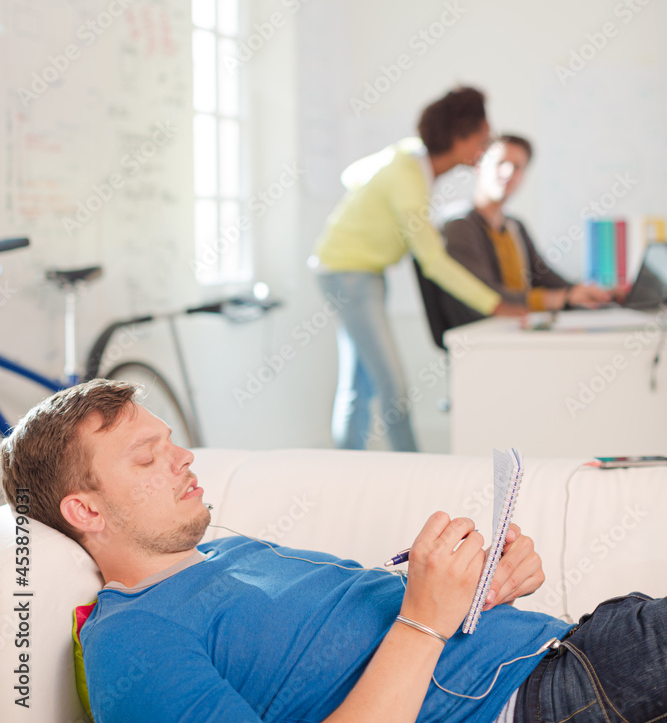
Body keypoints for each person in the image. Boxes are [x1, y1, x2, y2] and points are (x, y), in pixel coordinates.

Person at [2, 379, 666, 723]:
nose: (182, 459)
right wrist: (424, 619)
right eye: (148, 456)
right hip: (551, 695)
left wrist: (477, 588)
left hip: (573, 647)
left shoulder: (228, 554)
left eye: (169, 441)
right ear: (85, 510)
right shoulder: (133, 641)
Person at [312, 87, 524, 452]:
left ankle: (344, 465)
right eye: (483, 139)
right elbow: (434, 261)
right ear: (458, 139)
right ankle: (413, 468)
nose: (486, 147)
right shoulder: (407, 177)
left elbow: (352, 175)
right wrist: (495, 304)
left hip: (359, 271)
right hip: (349, 274)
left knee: (360, 383)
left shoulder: (409, 157)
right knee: (391, 385)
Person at [442, 135, 612, 314]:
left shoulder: (515, 226)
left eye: (517, 167)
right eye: (500, 163)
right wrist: (561, 298)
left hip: (519, 324)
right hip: (486, 330)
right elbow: (485, 294)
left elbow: (546, 277)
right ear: (478, 166)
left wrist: (594, 292)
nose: (508, 173)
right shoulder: (459, 225)